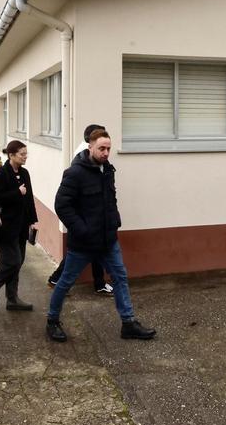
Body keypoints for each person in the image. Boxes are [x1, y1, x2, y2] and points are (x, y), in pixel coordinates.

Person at [46, 129, 155, 343]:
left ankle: (128, 323)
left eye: (108, 148)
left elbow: (110, 200)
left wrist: (114, 222)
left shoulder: (108, 170)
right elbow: (62, 205)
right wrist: (82, 230)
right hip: (83, 243)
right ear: (90, 147)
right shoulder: (75, 173)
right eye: (101, 148)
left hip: (108, 240)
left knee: (120, 278)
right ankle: (52, 320)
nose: (106, 153)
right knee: (66, 281)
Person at [46, 123, 113, 296]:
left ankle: (98, 284)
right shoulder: (82, 157)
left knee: (93, 253)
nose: (105, 151)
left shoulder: (97, 156)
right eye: (100, 145)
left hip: (94, 219)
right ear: (90, 142)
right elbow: (66, 198)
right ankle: (56, 281)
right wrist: (81, 225)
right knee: (77, 255)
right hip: (85, 218)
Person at [0, 139, 38, 312]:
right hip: (6, 227)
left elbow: (29, 198)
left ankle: (12, 299)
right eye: (22, 154)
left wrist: (33, 220)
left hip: (22, 225)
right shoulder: (2, 173)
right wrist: (17, 192)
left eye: (26, 154)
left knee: (19, 261)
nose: (25, 157)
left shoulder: (25, 173)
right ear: (11, 155)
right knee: (12, 261)